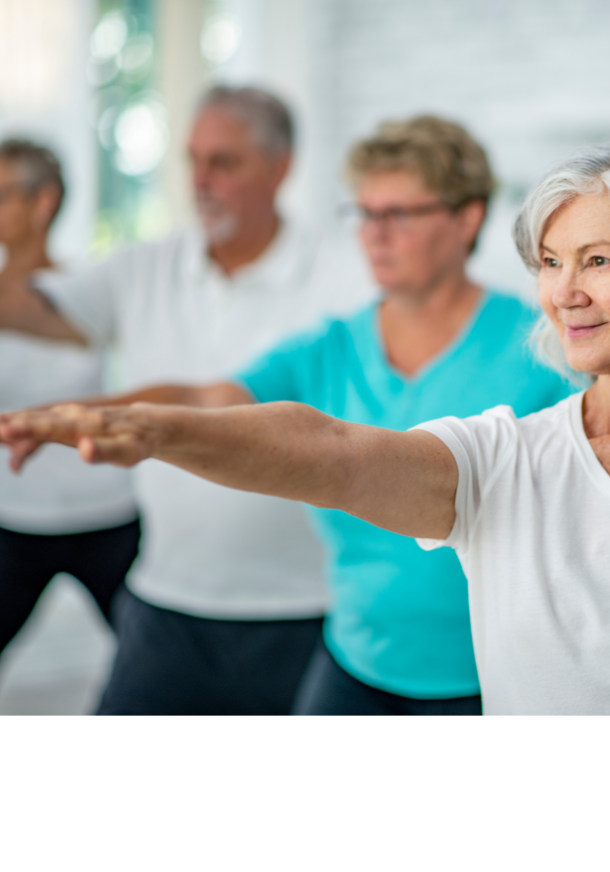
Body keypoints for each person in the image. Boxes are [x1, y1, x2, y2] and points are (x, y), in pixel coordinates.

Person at [4, 135, 610, 715]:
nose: (563, 293)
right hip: (366, 655)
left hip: (464, 675)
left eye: (597, 260)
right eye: (549, 263)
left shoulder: (515, 348)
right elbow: (331, 453)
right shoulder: (500, 451)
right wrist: (145, 426)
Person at [0, 87, 374, 715]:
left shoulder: (346, 273)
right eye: (193, 161)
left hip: (303, 609)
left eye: (223, 163)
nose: (201, 181)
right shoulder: (144, 266)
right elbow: (34, 309)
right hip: (165, 602)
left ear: (280, 166)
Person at [0, 139, 139, 657]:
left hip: (106, 513)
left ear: (45, 202)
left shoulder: (89, 289)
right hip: (15, 516)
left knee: (150, 655)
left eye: (4, 193)